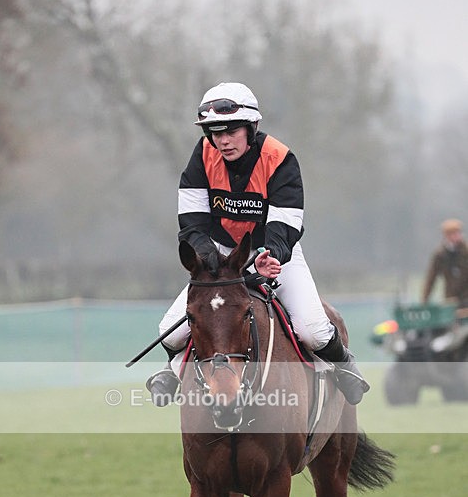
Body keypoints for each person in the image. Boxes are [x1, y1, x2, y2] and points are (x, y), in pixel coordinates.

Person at [147, 82, 369, 405]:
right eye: (215, 132)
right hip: (221, 257)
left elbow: (285, 224)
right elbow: (192, 224)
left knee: (313, 331)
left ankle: (345, 365)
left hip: (274, 254)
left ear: (251, 128)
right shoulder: (202, 156)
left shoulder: (280, 159)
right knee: (170, 330)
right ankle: (173, 371)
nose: (223, 141)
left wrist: (270, 255)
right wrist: (214, 262)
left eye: (231, 131)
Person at [422, 218, 468, 306]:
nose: (456, 236)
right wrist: (424, 300)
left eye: (458, 233)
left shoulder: (466, 252)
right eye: (453, 234)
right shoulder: (440, 255)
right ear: (446, 235)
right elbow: (431, 278)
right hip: (451, 299)